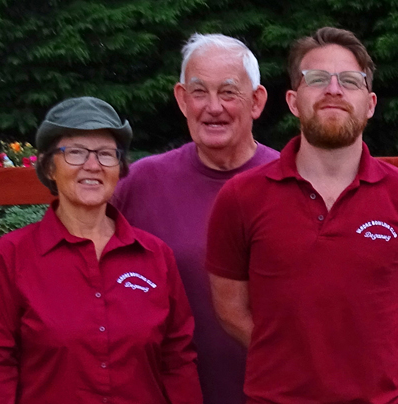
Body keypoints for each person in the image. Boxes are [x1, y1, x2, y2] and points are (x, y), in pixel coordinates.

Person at [206, 27, 398, 403]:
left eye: (350, 80)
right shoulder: (240, 198)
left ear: (370, 103)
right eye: (316, 79)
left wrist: (356, 355)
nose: (333, 90)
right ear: (294, 101)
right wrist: (288, 357)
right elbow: (231, 310)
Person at [0, 96, 201, 403]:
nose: (92, 166)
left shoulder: (155, 256)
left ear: (119, 168)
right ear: (49, 167)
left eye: (106, 154)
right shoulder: (12, 256)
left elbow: (177, 360)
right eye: (75, 152)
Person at [112, 33, 279, 404]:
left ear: (256, 101)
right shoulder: (140, 183)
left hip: (275, 391)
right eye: (199, 92)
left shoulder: (291, 182)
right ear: (182, 99)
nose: (213, 107)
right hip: (166, 393)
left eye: (229, 92)